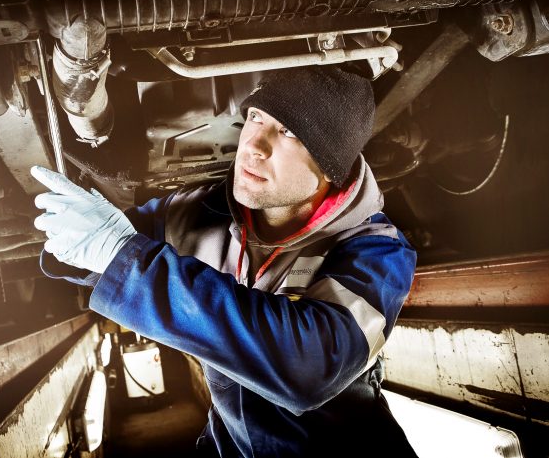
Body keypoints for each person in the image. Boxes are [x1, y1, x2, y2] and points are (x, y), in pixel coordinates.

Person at [32, 65, 418, 457]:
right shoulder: (195, 212)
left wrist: (120, 255)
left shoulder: (375, 250)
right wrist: (74, 240)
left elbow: (310, 368)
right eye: (255, 117)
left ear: (329, 168)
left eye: (287, 132)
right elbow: (99, 254)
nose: (254, 145)